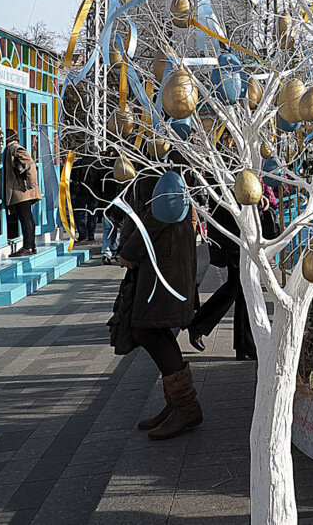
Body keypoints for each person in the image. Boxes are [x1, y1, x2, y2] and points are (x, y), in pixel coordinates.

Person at [116, 174, 201, 440]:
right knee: (157, 330)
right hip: (166, 270)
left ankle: (186, 406)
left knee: (148, 331)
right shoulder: (164, 172)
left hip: (164, 276)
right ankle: (179, 404)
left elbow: (152, 221)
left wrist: (128, 253)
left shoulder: (160, 173)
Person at [187, 183, 278, 360]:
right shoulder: (228, 166)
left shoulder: (232, 165)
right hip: (234, 233)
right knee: (241, 285)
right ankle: (240, 342)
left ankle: (241, 342)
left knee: (241, 286)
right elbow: (233, 192)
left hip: (236, 232)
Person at [3, 130, 42, 258]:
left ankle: (28, 246)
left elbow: (30, 165)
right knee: (27, 218)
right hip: (22, 190)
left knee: (25, 218)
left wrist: (32, 183)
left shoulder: (16, 148)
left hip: (21, 190)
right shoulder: (13, 148)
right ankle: (31, 245)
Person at [92, 148, 124, 264]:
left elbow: (97, 186)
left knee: (107, 229)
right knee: (123, 229)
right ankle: (120, 251)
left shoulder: (103, 168)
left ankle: (106, 253)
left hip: (106, 202)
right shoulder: (124, 169)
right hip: (121, 204)